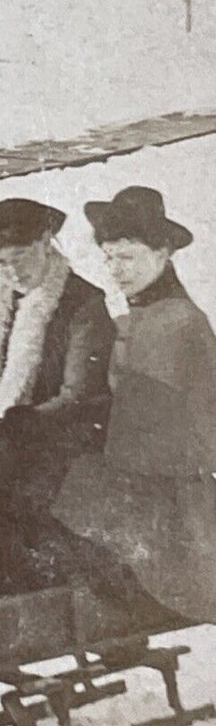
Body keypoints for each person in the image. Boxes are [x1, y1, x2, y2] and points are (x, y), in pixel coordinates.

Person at [50, 187, 216, 625]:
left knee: (58, 494)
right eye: (107, 257)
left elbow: (167, 431)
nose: (114, 270)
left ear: (163, 253)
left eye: (126, 257)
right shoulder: (138, 318)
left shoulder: (178, 322)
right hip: (143, 475)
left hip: (173, 498)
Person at [0, 198, 114, 544]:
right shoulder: (6, 300)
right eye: (1, 264)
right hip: (16, 429)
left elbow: (79, 396)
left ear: (45, 243)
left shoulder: (82, 303)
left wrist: (16, 423)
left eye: (20, 257)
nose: (13, 272)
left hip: (67, 435)